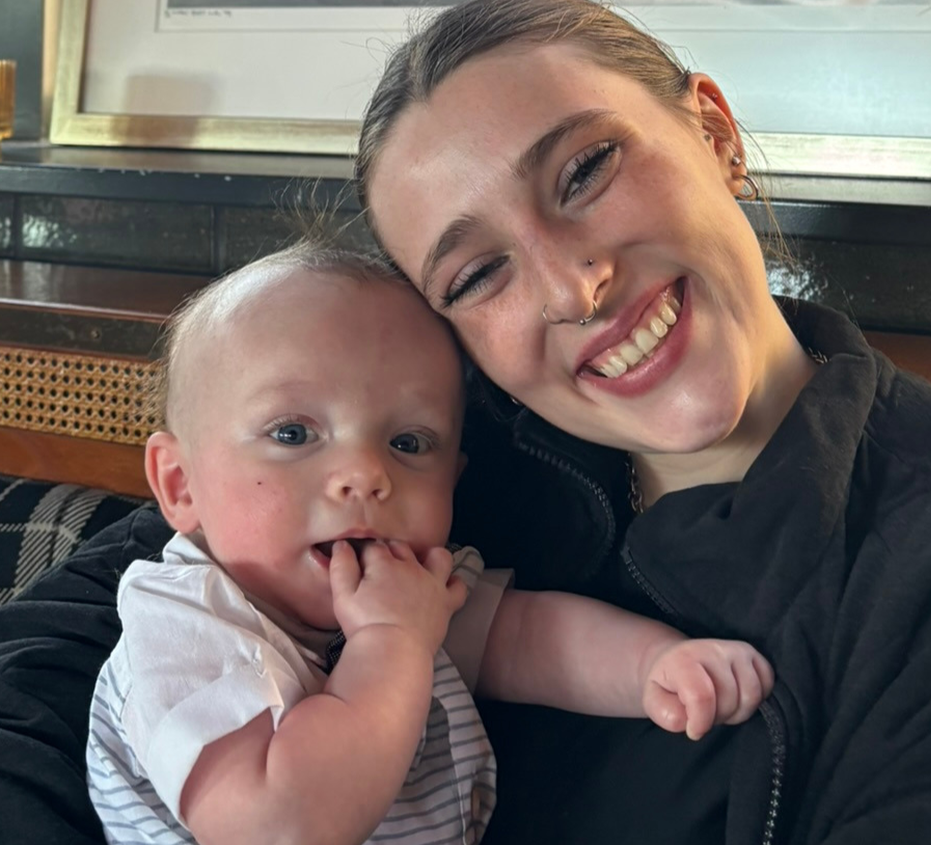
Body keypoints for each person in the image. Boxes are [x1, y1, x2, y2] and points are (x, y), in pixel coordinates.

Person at [0, 0, 931, 845]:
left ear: (714, 135)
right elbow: (50, 672)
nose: (573, 287)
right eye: (477, 275)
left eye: (584, 172)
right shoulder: (416, 462)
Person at [86, 240, 773, 845]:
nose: (366, 474)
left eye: (409, 443)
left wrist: (655, 665)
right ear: (180, 485)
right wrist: (391, 643)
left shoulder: (410, 589)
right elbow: (280, 827)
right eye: (293, 434)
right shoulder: (185, 627)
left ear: (455, 478)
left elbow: (528, 639)